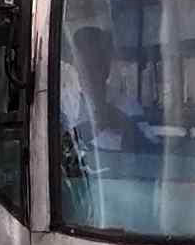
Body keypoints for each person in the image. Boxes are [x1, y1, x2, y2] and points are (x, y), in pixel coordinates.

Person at [62, 25, 156, 153]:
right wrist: (93, 126)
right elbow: (54, 150)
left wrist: (127, 127)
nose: (95, 72)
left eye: (99, 62)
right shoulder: (64, 105)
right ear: (75, 64)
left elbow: (152, 150)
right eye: (87, 65)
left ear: (108, 63)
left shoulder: (129, 106)